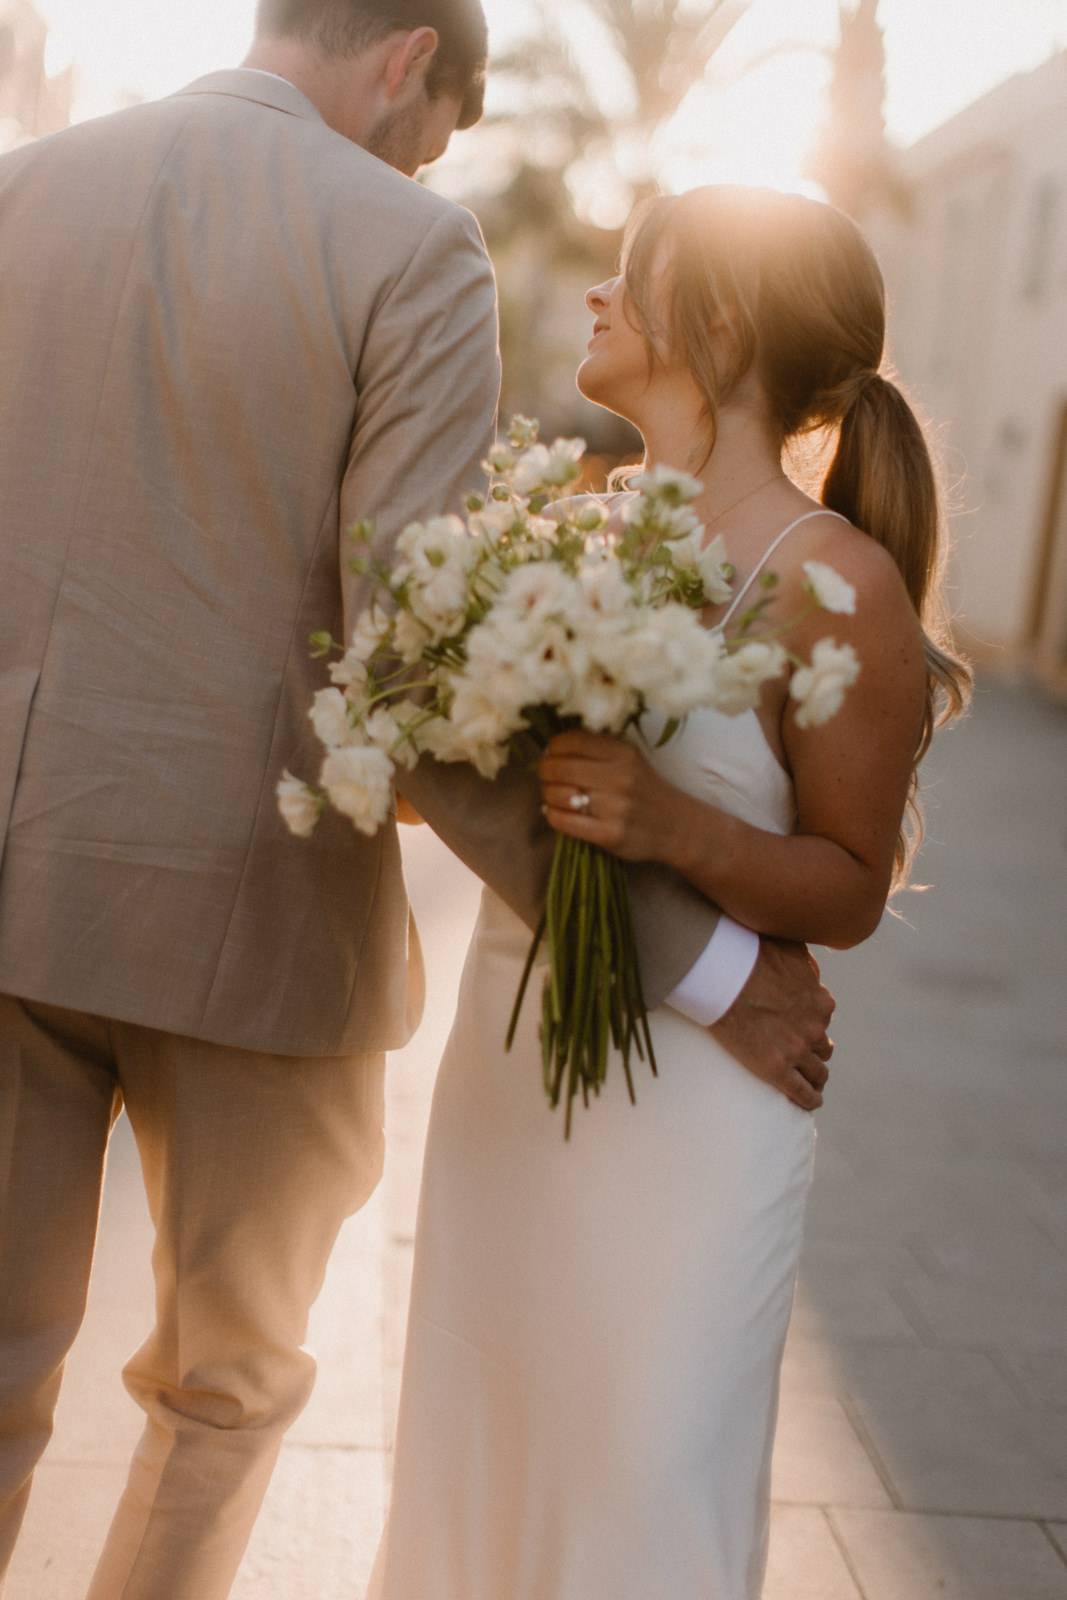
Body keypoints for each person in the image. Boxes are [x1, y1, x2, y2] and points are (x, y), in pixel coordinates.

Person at [0, 5, 831, 1596]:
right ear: (405, 60)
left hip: (10, 893)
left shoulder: (22, 188)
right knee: (222, 1393)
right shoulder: (406, 244)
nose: (422, 159)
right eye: (432, 125)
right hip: (253, 930)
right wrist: (708, 963)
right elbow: (415, 661)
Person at [369, 185, 971, 1600]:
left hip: (692, 1121)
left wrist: (675, 827)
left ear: (713, 321)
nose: (597, 298)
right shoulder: (576, 528)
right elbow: (491, 784)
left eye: (628, 280)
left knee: (642, 1492)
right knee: (481, 1455)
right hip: (508, 1071)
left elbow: (848, 886)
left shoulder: (836, 583)